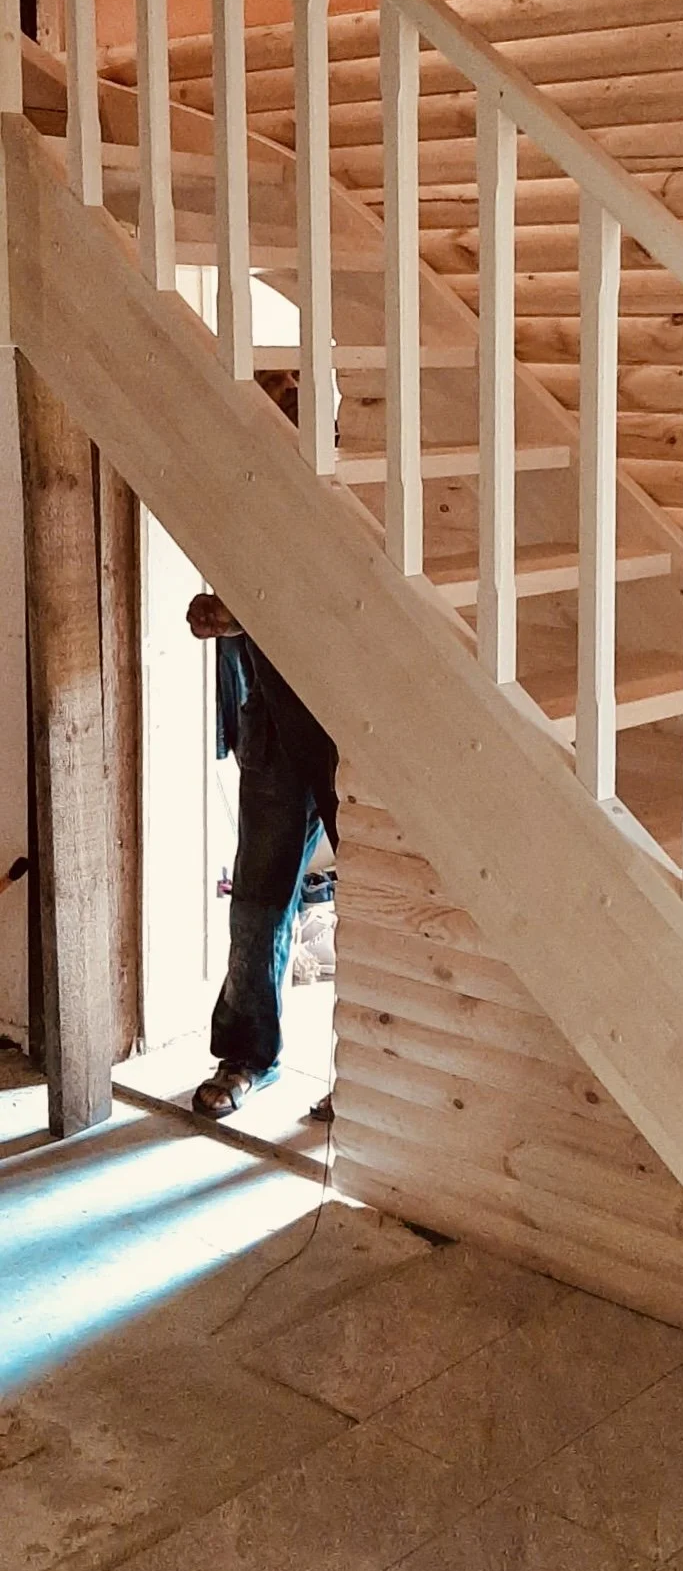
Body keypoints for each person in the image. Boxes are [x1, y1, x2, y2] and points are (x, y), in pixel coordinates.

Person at [188, 373, 340, 1119]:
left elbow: (331, 602)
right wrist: (225, 615)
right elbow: (247, 596)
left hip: (347, 726)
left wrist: (242, 614)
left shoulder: (347, 495)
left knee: (373, 907)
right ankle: (248, 1056)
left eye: (291, 409)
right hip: (273, 726)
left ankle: (366, 1077)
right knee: (256, 902)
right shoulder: (250, 496)